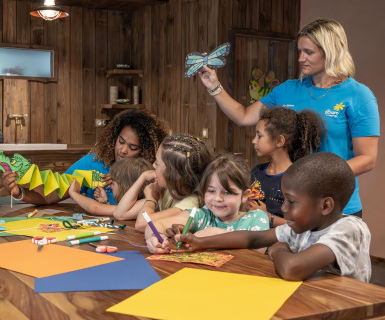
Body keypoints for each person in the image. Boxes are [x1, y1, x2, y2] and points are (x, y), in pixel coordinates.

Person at [199, 18, 379, 217]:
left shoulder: (359, 95)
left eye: (309, 52)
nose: (301, 58)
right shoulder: (288, 89)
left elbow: (367, 159)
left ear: (331, 52)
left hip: (338, 207)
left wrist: (314, 177)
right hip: (292, 204)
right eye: (300, 51)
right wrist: (214, 86)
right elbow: (243, 116)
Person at [171, 152, 371, 282]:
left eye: (291, 202)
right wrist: (200, 242)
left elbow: (292, 268)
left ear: (325, 206)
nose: (283, 208)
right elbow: (252, 238)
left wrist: (278, 250)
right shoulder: (304, 225)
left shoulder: (349, 229)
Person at [1, 108, 169, 205]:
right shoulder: (94, 163)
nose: (123, 150)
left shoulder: (148, 174)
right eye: (121, 141)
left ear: (146, 151)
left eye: (132, 147)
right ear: (114, 137)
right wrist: (19, 193)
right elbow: (54, 192)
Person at [146, 153, 269, 254]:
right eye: (211, 191)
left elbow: (261, 248)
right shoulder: (203, 216)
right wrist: (154, 237)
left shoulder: (256, 218)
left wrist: (214, 234)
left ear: (245, 196)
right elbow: (156, 224)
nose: (218, 198)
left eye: (227, 193)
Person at [113, 134, 211, 230]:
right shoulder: (169, 190)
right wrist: (142, 177)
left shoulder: (190, 202)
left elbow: (142, 223)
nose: (153, 166)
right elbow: (120, 214)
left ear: (172, 173)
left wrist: (151, 199)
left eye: (157, 163)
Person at [248, 107, 325, 227]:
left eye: (259, 136)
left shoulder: (299, 178)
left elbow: (303, 225)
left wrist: (268, 217)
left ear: (279, 141)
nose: (254, 141)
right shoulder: (256, 171)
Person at [68, 158, 153, 216]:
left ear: (126, 187)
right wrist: (105, 202)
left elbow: (95, 208)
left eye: (113, 183)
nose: (110, 186)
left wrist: (74, 193)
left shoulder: (139, 206)